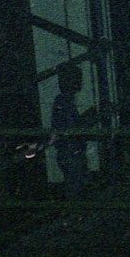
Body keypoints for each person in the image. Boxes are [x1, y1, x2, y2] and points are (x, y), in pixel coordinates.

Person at [51, 63, 92, 196]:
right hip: (71, 150)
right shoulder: (63, 102)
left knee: (77, 184)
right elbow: (70, 127)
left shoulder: (64, 101)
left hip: (73, 150)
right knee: (76, 187)